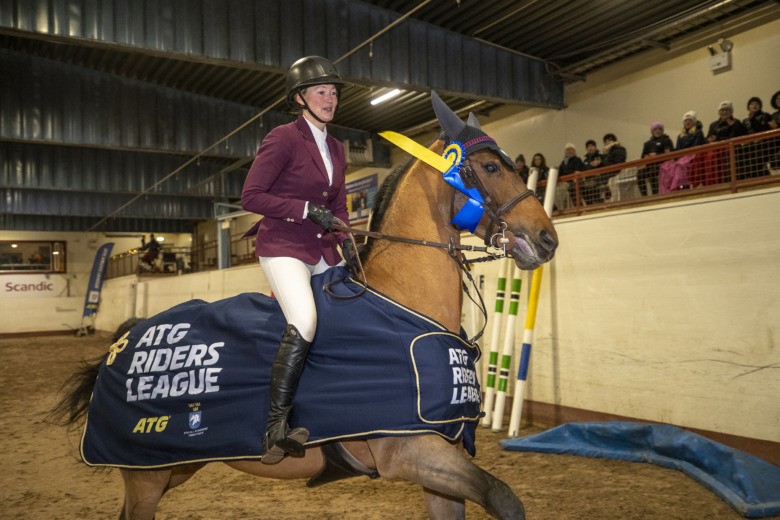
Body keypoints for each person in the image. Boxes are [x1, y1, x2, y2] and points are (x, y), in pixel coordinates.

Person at [241, 56, 357, 465]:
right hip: (284, 246)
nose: (330, 99)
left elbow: (338, 206)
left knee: (352, 312)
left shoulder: (337, 147)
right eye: (321, 92)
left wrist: (349, 244)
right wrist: (306, 209)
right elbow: (251, 197)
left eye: (334, 92)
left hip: (323, 249)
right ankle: (275, 427)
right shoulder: (284, 137)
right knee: (305, 320)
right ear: (299, 98)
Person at [705, 101, 747, 184]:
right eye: (722, 110)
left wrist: (717, 139)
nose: (724, 112)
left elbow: (735, 137)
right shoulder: (713, 125)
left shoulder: (736, 122)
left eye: (727, 110)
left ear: (731, 111)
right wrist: (709, 140)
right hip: (715, 149)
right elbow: (708, 138)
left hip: (730, 150)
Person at [638, 122, 674, 196]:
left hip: (663, 164)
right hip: (650, 165)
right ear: (652, 131)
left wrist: (656, 155)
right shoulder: (647, 144)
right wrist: (648, 157)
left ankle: (655, 194)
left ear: (662, 131)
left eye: (660, 129)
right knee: (640, 173)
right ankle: (644, 195)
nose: (658, 131)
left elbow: (668, 153)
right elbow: (643, 157)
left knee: (653, 172)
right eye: (655, 129)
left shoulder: (667, 140)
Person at [675, 111, 706, 189]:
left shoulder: (698, 132)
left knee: (683, 165)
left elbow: (696, 145)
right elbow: (678, 149)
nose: (687, 122)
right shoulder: (680, 136)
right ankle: (682, 188)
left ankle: (687, 186)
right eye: (685, 120)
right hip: (683, 157)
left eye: (690, 120)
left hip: (694, 156)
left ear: (694, 122)